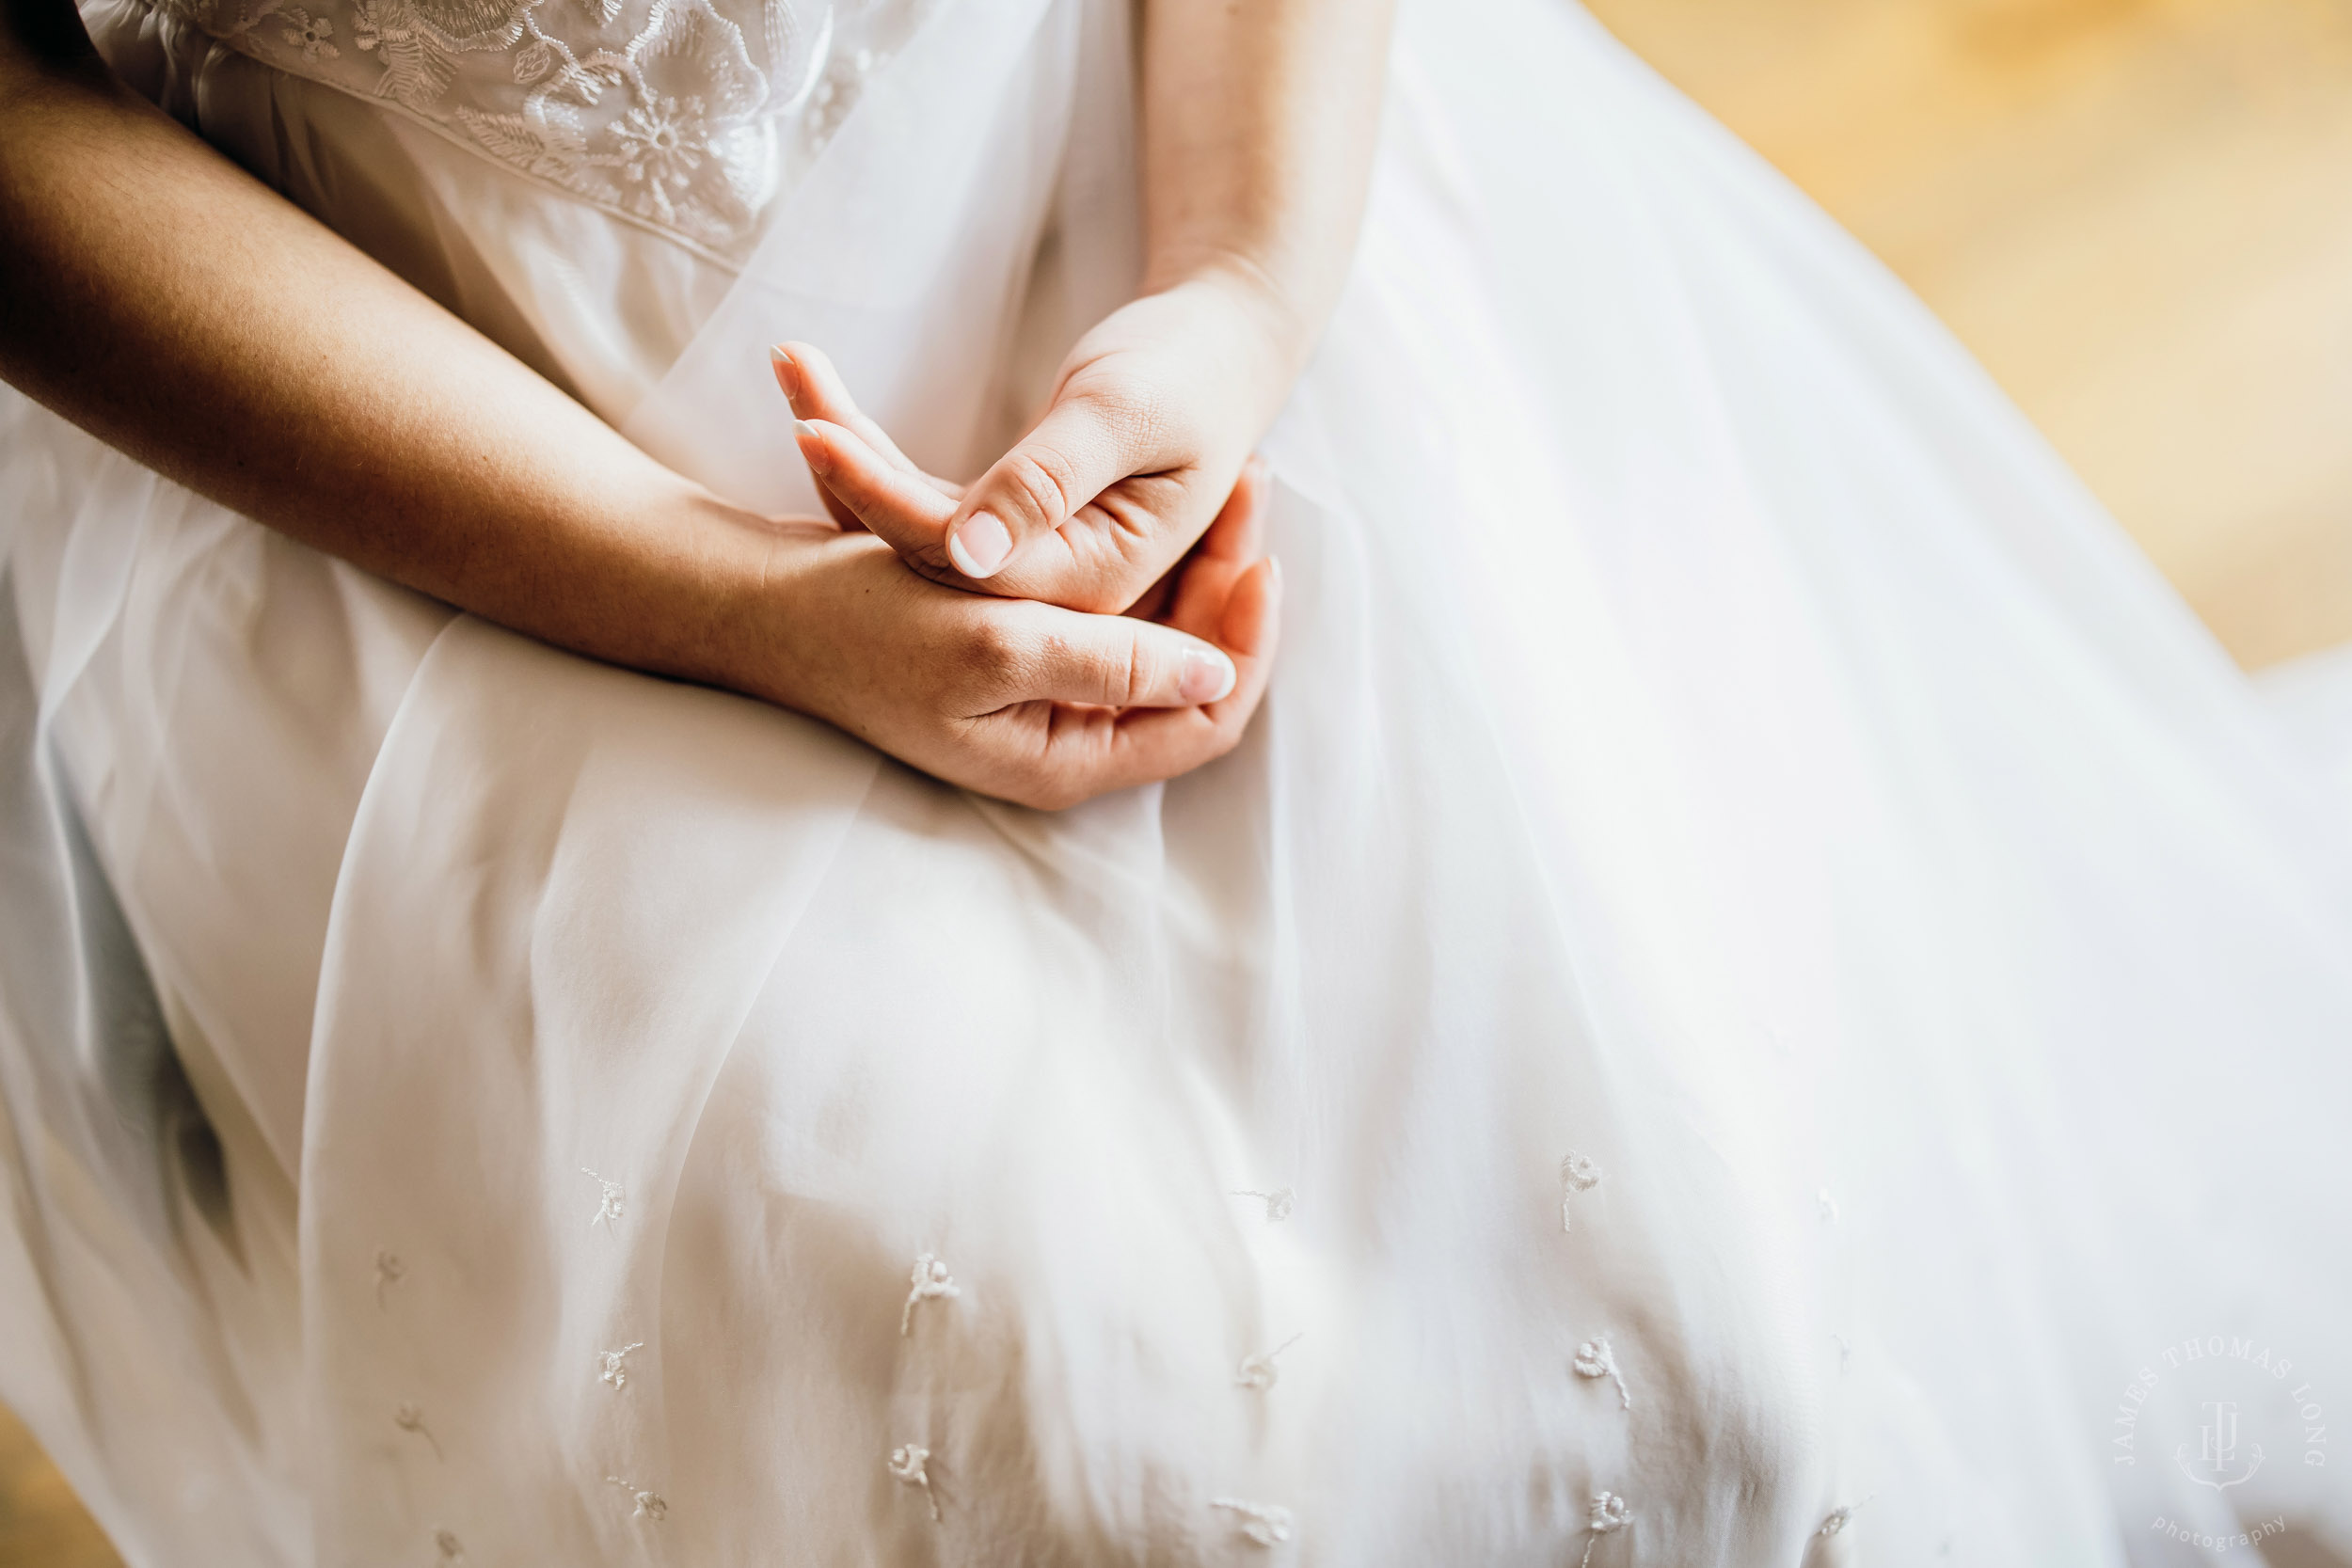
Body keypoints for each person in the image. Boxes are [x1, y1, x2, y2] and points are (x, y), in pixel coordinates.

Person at [1, 0, 2347, 1559]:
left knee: (1697, 1326)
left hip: (1163, 160)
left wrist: (1237, 281)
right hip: (465, 468)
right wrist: (728, 601)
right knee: (1073, 1441)